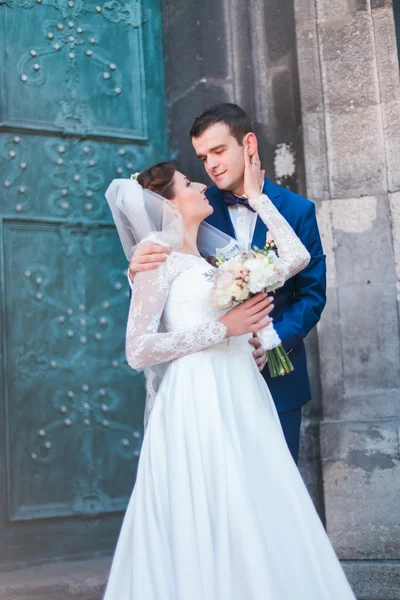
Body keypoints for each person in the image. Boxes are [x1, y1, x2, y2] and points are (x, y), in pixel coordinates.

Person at [102, 151, 355, 599]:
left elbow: (293, 259)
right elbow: (137, 350)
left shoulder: (217, 260)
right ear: (169, 204)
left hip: (242, 393)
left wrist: (259, 199)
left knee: (257, 503)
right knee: (211, 505)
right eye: (187, 183)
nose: (202, 186)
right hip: (196, 401)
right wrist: (226, 328)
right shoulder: (155, 261)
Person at [128, 103, 326, 464]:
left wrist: (271, 341)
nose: (211, 165)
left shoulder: (297, 210)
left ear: (247, 144)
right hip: (211, 386)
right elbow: (166, 284)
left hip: (280, 380)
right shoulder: (197, 206)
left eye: (218, 151)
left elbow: (311, 295)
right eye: (203, 157)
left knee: (275, 492)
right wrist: (135, 270)